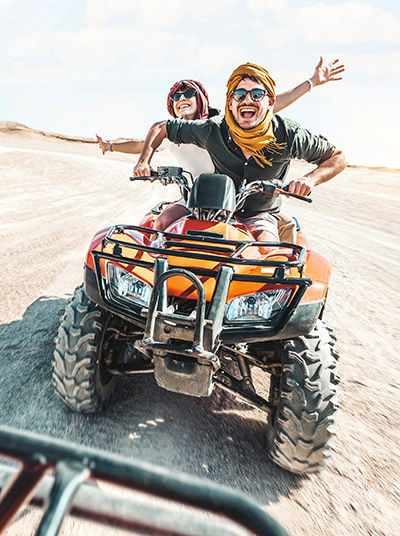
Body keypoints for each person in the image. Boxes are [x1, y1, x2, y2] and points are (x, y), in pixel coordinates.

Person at [133, 62, 347, 253]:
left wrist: (309, 179)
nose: (248, 100)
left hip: (259, 214)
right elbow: (161, 127)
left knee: (269, 252)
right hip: (209, 208)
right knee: (162, 227)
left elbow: (338, 158)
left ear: (270, 101)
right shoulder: (213, 129)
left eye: (257, 95)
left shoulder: (288, 134)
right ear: (230, 101)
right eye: (240, 94)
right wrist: (143, 161)